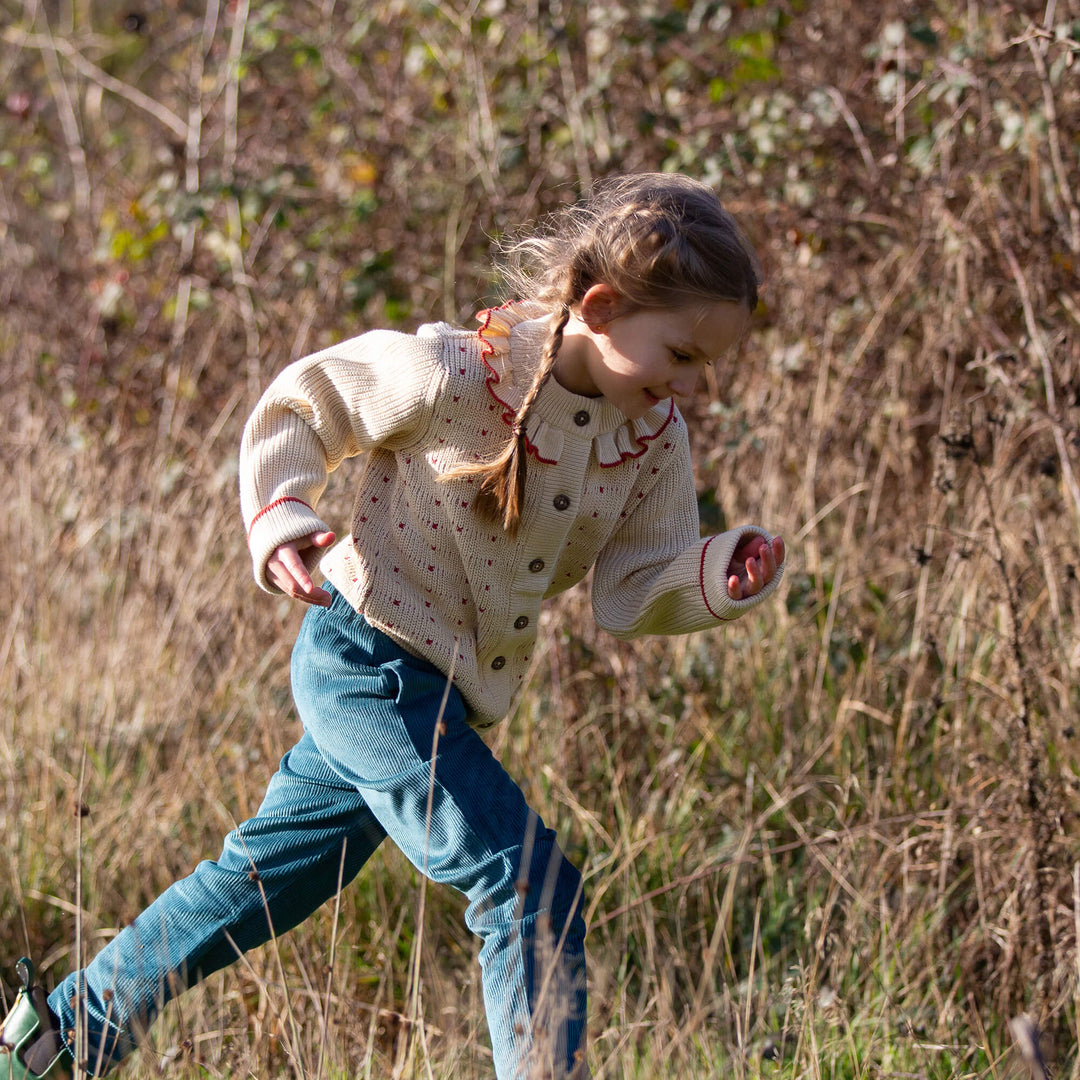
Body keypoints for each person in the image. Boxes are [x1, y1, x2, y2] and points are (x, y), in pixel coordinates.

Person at [1, 172, 785, 1080]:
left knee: (257, 885)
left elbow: (630, 588)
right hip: (362, 659)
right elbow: (308, 400)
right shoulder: (456, 372)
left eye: (707, 366)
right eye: (682, 354)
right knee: (529, 889)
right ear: (602, 308)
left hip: (438, 697)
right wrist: (281, 510)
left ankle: (55, 1041)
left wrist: (712, 575)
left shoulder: (650, 438)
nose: (695, 384)